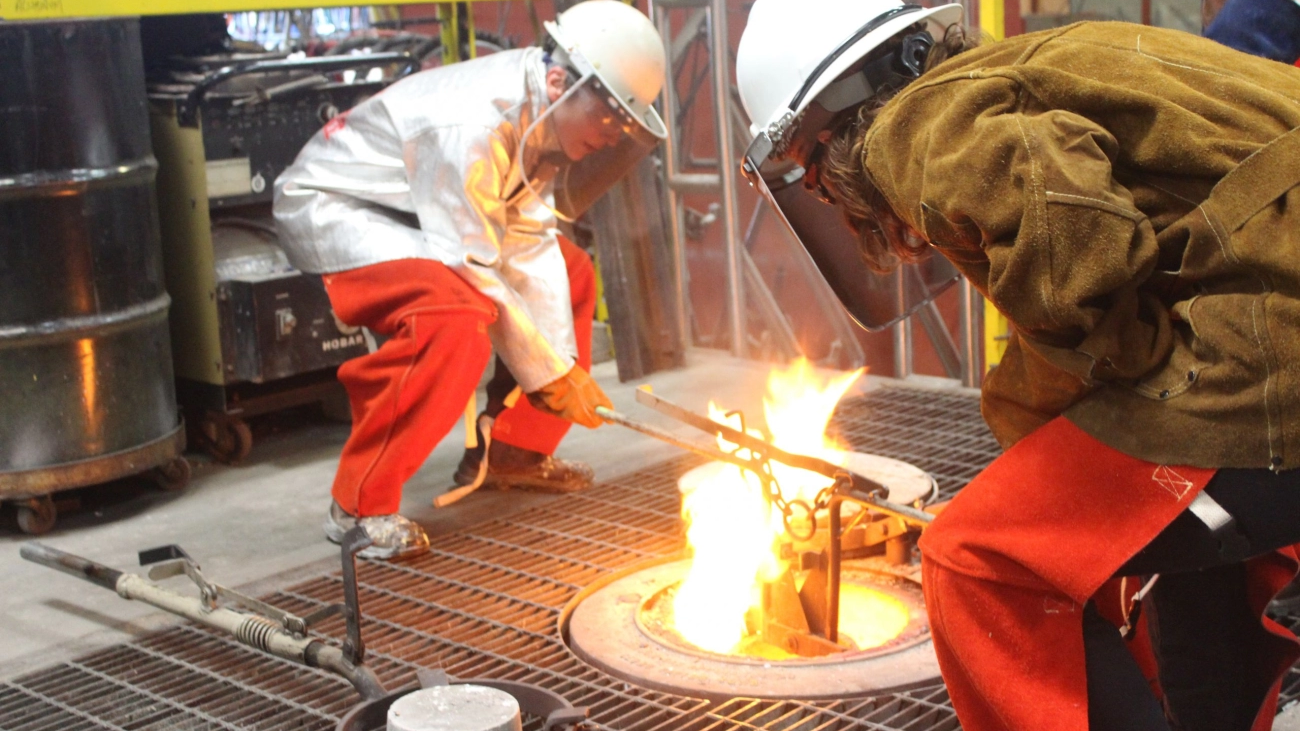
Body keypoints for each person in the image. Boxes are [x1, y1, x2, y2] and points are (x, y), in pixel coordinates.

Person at [735, 1, 1300, 729]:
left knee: (975, 561)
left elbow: (1079, 262)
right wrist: (1038, 410)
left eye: (813, 173)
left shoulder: (915, 126)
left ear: (830, 131)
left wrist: (1121, 359)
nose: (825, 194)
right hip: (1272, 310)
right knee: (1154, 554)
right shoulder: (1018, 70)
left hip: (1271, 352)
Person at [274, 0, 667, 559]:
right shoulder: (475, 121)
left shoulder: (540, 112)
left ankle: (514, 452)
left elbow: (528, 241)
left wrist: (553, 366)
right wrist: (550, 372)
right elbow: (470, 263)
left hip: (416, 207)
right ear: (559, 82)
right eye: (607, 120)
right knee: (452, 318)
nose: (610, 137)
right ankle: (359, 506)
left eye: (622, 125)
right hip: (340, 207)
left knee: (574, 275)